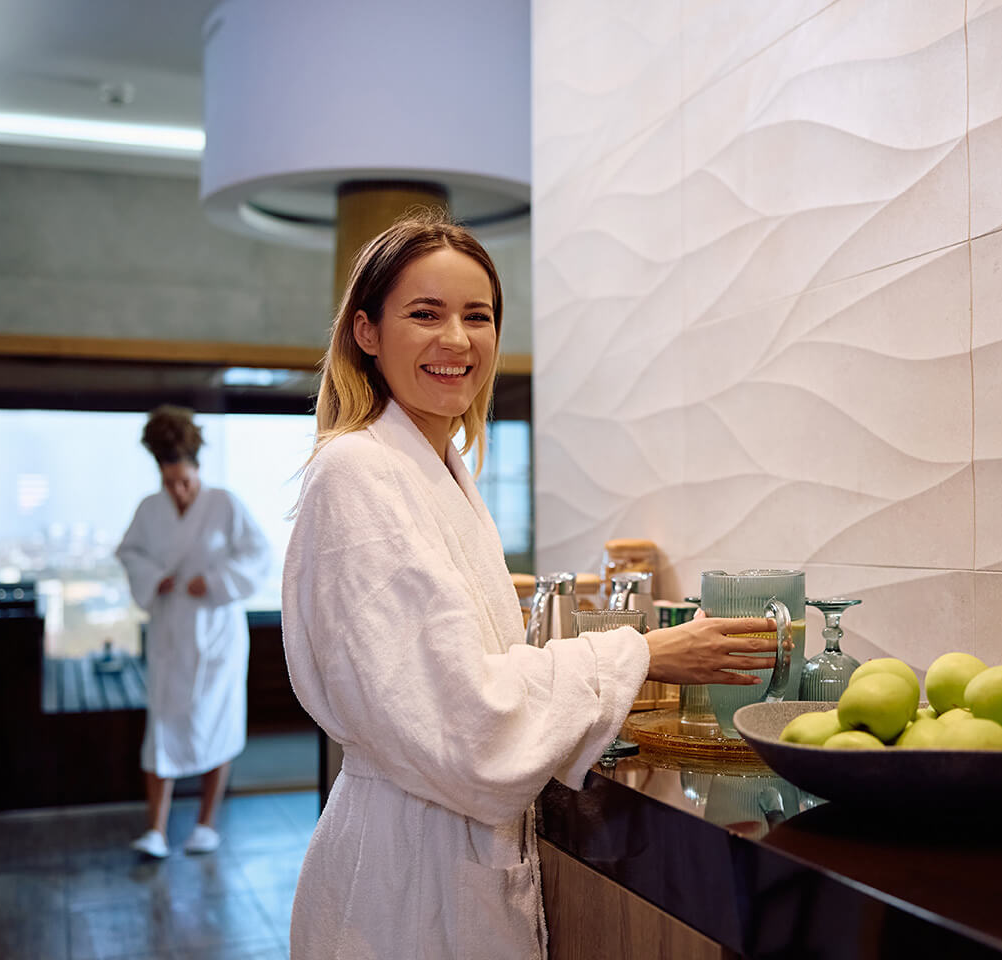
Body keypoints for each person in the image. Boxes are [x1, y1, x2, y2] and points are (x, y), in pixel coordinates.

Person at [282, 211, 783, 959]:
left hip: (443, 852)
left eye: (476, 316)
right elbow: (465, 718)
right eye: (425, 314)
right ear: (366, 331)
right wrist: (644, 651)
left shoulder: (443, 471)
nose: (457, 340)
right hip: (402, 883)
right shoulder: (357, 473)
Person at [117, 405, 271, 858]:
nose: (178, 491)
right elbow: (129, 554)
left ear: (197, 471)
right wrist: (154, 578)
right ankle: (156, 830)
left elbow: (258, 555)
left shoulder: (224, 504)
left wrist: (218, 582)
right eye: (170, 484)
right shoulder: (149, 510)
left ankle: (206, 823)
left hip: (218, 633)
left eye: (184, 482)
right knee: (161, 728)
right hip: (171, 632)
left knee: (216, 723)